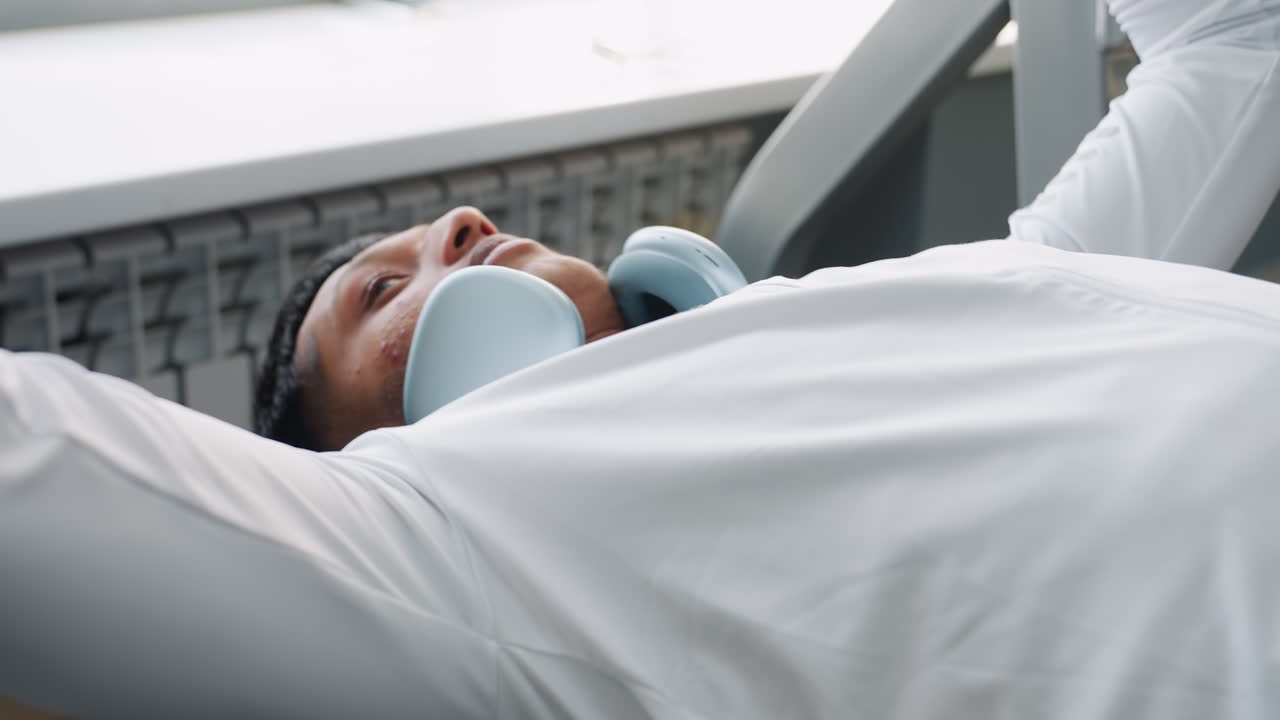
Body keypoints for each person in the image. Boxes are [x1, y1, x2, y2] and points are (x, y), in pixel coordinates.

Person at [2, 0, 1279, 717]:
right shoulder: (452, 545)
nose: (461, 223)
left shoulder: (943, 292)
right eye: (381, 291)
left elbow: (1232, 43)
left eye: (437, 232)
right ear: (361, 456)